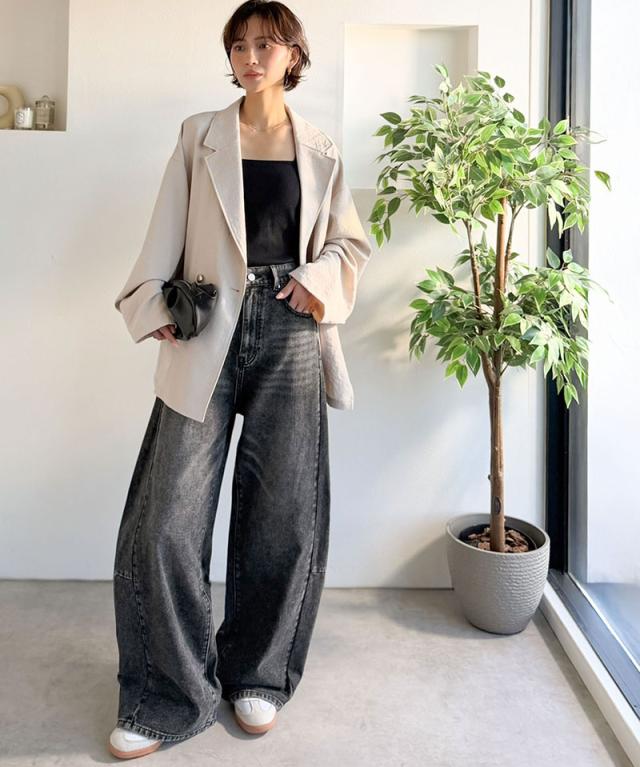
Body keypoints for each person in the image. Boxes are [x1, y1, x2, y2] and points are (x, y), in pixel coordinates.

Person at [108, 0, 372, 759]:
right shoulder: (200, 135)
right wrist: (151, 303)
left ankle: (257, 672)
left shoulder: (320, 149)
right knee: (167, 517)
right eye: (239, 45)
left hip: (291, 325)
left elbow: (349, 245)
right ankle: (166, 693)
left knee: (284, 510)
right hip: (207, 323)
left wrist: (317, 280)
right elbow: (166, 225)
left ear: (294, 55)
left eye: (265, 44)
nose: (250, 57)